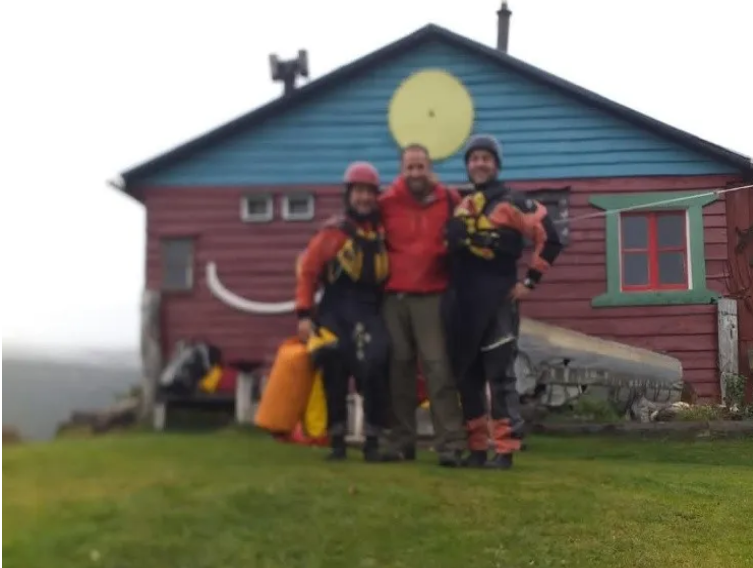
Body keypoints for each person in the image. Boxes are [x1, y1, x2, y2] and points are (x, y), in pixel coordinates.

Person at [445, 134, 563, 470]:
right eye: (474, 159)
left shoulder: (514, 202)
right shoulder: (462, 207)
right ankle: (476, 449)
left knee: (499, 377)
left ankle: (505, 450)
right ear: (468, 165)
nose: (479, 164)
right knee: (467, 377)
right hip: (463, 304)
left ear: (496, 164)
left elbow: (550, 238)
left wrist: (530, 282)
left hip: (498, 301)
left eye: (486, 158)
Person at [294, 161, 391, 462]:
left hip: (370, 310)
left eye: (369, 192)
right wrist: (304, 315)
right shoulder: (332, 233)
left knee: (375, 366)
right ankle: (336, 441)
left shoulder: (383, 233)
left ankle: (372, 441)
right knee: (334, 368)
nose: (364, 198)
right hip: (334, 309)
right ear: (348, 195)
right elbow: (308, 273)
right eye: (359, 191)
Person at [378, 144, 467, 467]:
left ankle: (450, 444)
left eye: (420, 166)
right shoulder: (386, 202)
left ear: (430, 168)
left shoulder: (450, 199)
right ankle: (401, 441)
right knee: (398, 370)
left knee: (438, 368)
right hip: (394, 297)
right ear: (402, 170)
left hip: (433, 295)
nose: (416, 173)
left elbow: (467, 234)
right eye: (410, 167)